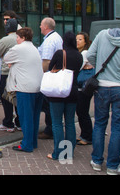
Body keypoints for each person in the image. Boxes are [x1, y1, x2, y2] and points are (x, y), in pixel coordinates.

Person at [87, 14, 120, 175]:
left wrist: (100, 69)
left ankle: (96, 161)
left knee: (99, 124)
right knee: (117, 127)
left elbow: (90, 55)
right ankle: (112, 166)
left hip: (102, 87)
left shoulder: (103, 34)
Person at [3, 27, 44, 152]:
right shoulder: (35, 48)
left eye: (18, 37)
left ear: (23, 38)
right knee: (34, 117)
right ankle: (33, 141)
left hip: (25, 88)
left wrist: (13, 63)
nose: (16, 39)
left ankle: (27, 144)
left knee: (25, 117)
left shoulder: (18, 48)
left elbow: (6, 58)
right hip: (38, 87)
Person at [45, 31, 83, 161]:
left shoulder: (60, 53)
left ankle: (58, 153)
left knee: (57, 123)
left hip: (58, 91)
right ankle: (69, 152)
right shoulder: (79, 55)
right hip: (73, 91)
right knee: (70, 122)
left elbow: (50, 68)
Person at [38, 17, 63, 139]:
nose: (40, 27)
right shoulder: (57, 37)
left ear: (46, 27)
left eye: (41, 25)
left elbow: (46, 61)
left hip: (49, 76)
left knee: (47, 105)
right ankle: (52, 127)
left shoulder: (49, 41)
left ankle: (49, 130)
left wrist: (42, 76)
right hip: (56, 75)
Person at [0, 18, 19, 133]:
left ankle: (8, 122)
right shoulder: (20, 38)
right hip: (19, 72)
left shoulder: (5, 40)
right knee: (18, 98)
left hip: (6, 72)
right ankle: (19, 122)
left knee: (6, 98)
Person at [75, 32, 94, 145]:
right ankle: (84, 135)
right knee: (81, 111)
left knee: (82, 111)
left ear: (85, 42)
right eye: (76, 39)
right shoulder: (80, 53)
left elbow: (78, 67)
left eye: (80, 39)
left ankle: (87, 136)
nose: (77, 41)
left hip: (84, 87)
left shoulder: (85, 53)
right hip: (83, 86)